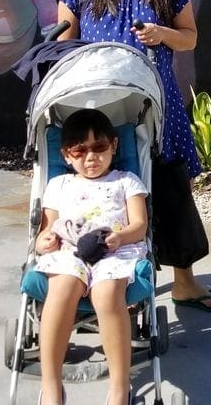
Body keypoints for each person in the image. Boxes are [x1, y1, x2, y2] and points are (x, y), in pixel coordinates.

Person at [56, 0, 211, 313]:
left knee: (171, 191)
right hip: (100, 110)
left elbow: (190, 39)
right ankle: (108, 283)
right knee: (107, 193)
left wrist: (161, 32)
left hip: (159, 106)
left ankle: (184, 283)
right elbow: (60, 48)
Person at [34, 108, 147, 405]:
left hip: (115, 248)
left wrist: (119, 237)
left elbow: (139, 225)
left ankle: (119, 391)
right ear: (66, 155)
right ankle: (51, 388)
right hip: (69, 249)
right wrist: (44, 241)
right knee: (62, 289)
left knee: (107, 295)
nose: (90, 157)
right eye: (79, 150)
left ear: (114, 145)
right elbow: (46, 231)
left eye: (99, 147)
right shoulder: (59, 185)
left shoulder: (126, 180)